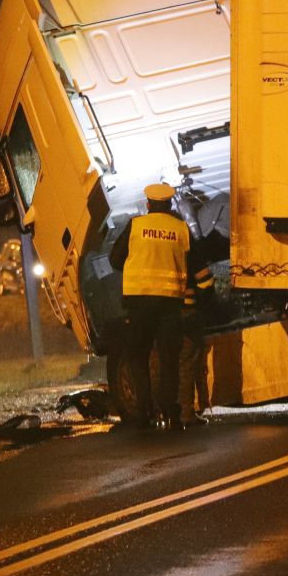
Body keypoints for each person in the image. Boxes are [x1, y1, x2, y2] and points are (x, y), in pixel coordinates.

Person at [109, 183, 194, 429]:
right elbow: (191, 259)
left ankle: (145, 411)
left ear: (148, 205)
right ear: (169, 205)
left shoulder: (136, 226)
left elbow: (115, 260)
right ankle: (170, 411)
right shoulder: (180, 229)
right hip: (170, 304)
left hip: (139, 302)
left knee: (138, 356)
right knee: (169, 359)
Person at [178, 240, 215, 427]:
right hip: (187, 311)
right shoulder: (182, 237)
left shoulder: (142, 237)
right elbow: (205, 281)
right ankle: (186, 411)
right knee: (187, 362)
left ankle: (161, 411)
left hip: (160, 312)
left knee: (160, 363)